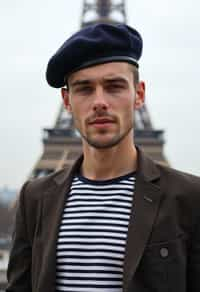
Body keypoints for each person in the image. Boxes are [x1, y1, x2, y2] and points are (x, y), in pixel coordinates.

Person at [6, 23, 200, 292]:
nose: (100, 102)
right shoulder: (34, 199)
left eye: (114, 86)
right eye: (84, 88)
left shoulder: (190, 198)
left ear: (139, 94)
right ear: (67, 100)